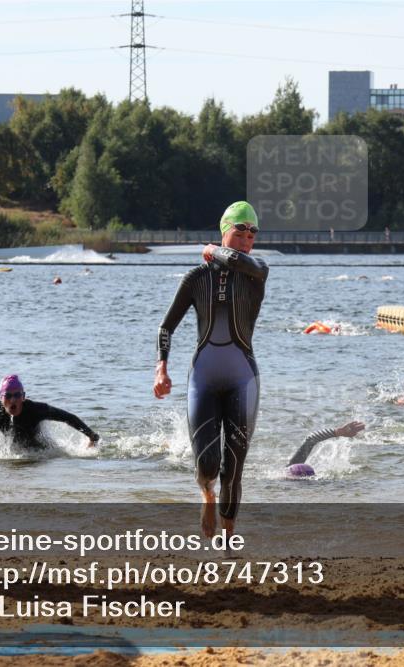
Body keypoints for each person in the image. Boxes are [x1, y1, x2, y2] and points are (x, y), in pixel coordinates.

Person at [154, 201, 269, 538]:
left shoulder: (258, 271)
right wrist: (161, 369)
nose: (248, 236)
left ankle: (229, 542)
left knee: (233, 469)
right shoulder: (196, 279)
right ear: (224, 231)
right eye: (240, 229)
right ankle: (206, 494)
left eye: (253, 232)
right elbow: (165, 327)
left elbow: (233, 260)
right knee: (207, 465)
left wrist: (209, 249)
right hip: (203, 379)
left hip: (243, 379)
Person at [0, 374, 100, 449]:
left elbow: (68, 417)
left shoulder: (36, 410)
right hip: (15, 449)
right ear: (1, 398)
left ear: (23, 397)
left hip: (40, 450)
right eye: (8, 396)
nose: (13, 400)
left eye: (17, 395)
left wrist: (91, 436)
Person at [288, 420, 365, 466]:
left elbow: (311, 440)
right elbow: (310, 440)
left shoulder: (290, 469)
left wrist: (338, 432)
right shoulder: (290, 472)